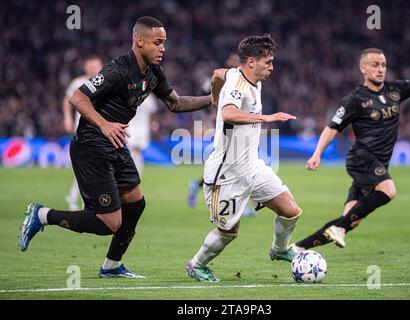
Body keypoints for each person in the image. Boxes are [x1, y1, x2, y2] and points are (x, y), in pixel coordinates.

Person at [19, 16, 216, 278]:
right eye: (157, 43)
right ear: (140, 41)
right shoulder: (118, 69)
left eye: (164, 43)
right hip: (91, 144)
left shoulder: (153, 72)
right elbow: (76, 97)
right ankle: (43, 215)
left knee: (135, 204)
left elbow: (175, 103)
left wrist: (212, 99)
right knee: (108, 223)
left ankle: (112, 265)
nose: (163, 49)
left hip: (115, 142)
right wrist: (104, 124)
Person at [291, 32, 410, 253]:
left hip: (378, 164)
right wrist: (317, 153)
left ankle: (297, 248)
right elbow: (332, 127)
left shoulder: (395, 90)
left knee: (350, 219)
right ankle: (337, 229)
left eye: (384, 65)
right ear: (363, 69)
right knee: (389, 189)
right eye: (375, 65)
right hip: (361, 159)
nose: (381, 69)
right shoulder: (354, 100)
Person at [186, 34, 301, 282]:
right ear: (251, 61)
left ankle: (280, 249)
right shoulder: (238, 86)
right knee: (229, 231)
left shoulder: (246, 77)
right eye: (267, 62)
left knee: (291, 211)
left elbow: (218, 73)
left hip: (252, 166)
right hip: (226, 173)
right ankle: (197, 264)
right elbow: (228, 114)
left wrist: (214, 98)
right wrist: (267, 118)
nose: (271, 67)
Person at [187, 53, 258, 217]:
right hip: (227, 124)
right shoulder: (228, 76)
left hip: (240, 125)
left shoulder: (243, 79)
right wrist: (215, 109)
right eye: (234, 59)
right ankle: (241, 203)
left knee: (236, 163)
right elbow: (210, 94)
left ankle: (198, 185)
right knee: (232, 162)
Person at [62, 56, 103, 210]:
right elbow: (67, 100)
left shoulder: (106, 81)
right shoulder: (78, 83)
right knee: (86, 164)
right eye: (90, 66)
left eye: (96, 66)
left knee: (94, 165)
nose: (93, 69)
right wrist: (67, 118)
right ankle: (74, 197)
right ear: (86, 67)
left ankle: (84, 199)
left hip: (100, 130)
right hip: (84, 130)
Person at [126, 94, 158, 176]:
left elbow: (152, 113)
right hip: (131, 126)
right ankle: (133, 173)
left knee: (137, 150)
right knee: (132, 150)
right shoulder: (129, 94)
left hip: (143, 127)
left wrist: (153, 126)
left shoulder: (149, 98)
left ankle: (135, 173)